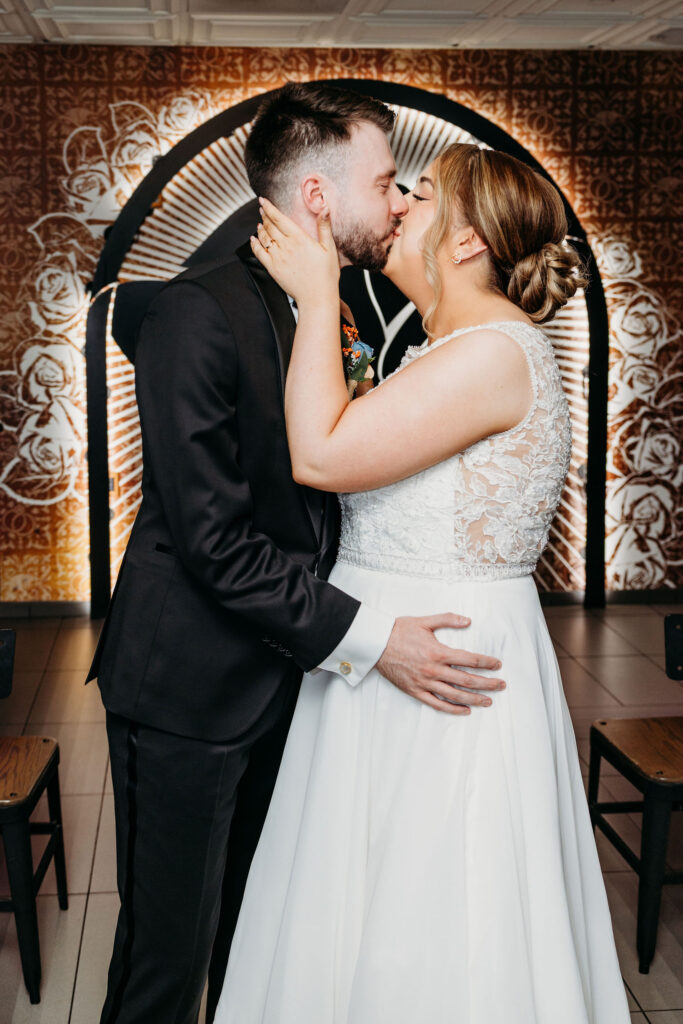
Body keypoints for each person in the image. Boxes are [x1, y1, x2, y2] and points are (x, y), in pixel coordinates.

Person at [86, 85, 505, 1024]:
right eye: (386, 182)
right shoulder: (195, 312)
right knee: (168, 954)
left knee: (257, 934)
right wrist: (367, 639)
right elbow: (214, 542)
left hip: (289, 686)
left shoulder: (327, 304)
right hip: (189, 689)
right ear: (317, 196)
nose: (399, 203)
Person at [213, 144, 631, 1022]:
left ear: (469, 239)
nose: (400, 201)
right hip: (382, 654)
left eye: (424, 191)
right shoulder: (451, 346)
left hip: (440, 664)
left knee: (436, 903)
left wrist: (321, 294)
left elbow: (320, 455)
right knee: (357, 899)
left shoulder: (489, 353)